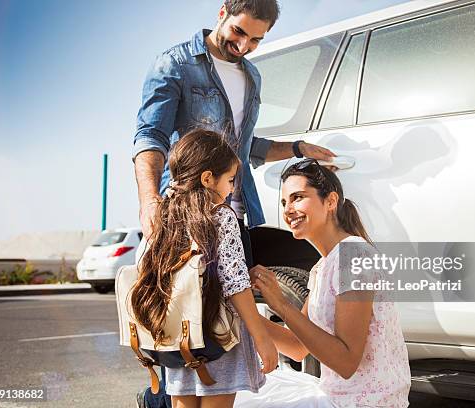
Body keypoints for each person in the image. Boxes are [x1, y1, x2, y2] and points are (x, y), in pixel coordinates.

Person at [133, 1, 335, 406]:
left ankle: (172, 394)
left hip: (234, 211)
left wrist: (294, 148)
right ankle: (158, 398)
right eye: (240, 32)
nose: (245, 45)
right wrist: (150, 202)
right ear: (223, 11)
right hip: (187, 212)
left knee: (216, 313)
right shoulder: (176, 63)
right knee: (188, 311)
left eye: (257, 39)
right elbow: (149, 136)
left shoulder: (251, 76)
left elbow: (243, 148)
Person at [239, 159, 411, 407]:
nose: (288, 210)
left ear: (330, 201)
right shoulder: (322, 267)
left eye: (298, 197)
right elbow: (298, 347)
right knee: (241, 392)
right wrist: (244, 314)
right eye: (284, 202)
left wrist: (281, 305)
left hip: (364, 403)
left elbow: (346, 362)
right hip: (336, 395)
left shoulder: (354, 256)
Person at [132, 129, 279, 408]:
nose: (232, 189)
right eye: (231, 180)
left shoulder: (166, 216)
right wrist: (262, 339)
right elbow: (235, 283)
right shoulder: (221, 216)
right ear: (208, 178)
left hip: (178, 337)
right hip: (219, 338)